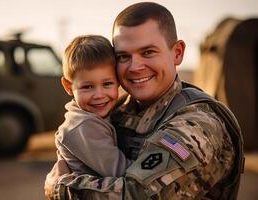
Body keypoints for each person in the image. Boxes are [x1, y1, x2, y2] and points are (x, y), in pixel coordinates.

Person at [45, 2, 244, 200]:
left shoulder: (198, 123)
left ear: (177, 53)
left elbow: (138, 195)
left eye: (148, 52)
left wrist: (61, 188)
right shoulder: (117, 109)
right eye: (123, 56)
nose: (135, 67)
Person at [51, 35, 132, 180]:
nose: (99, 95)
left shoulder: (96, 116)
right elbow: (123, 172)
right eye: (87, 87)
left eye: (107, 84)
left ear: (118, 81)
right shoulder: (84, 126)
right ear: (68, 86)